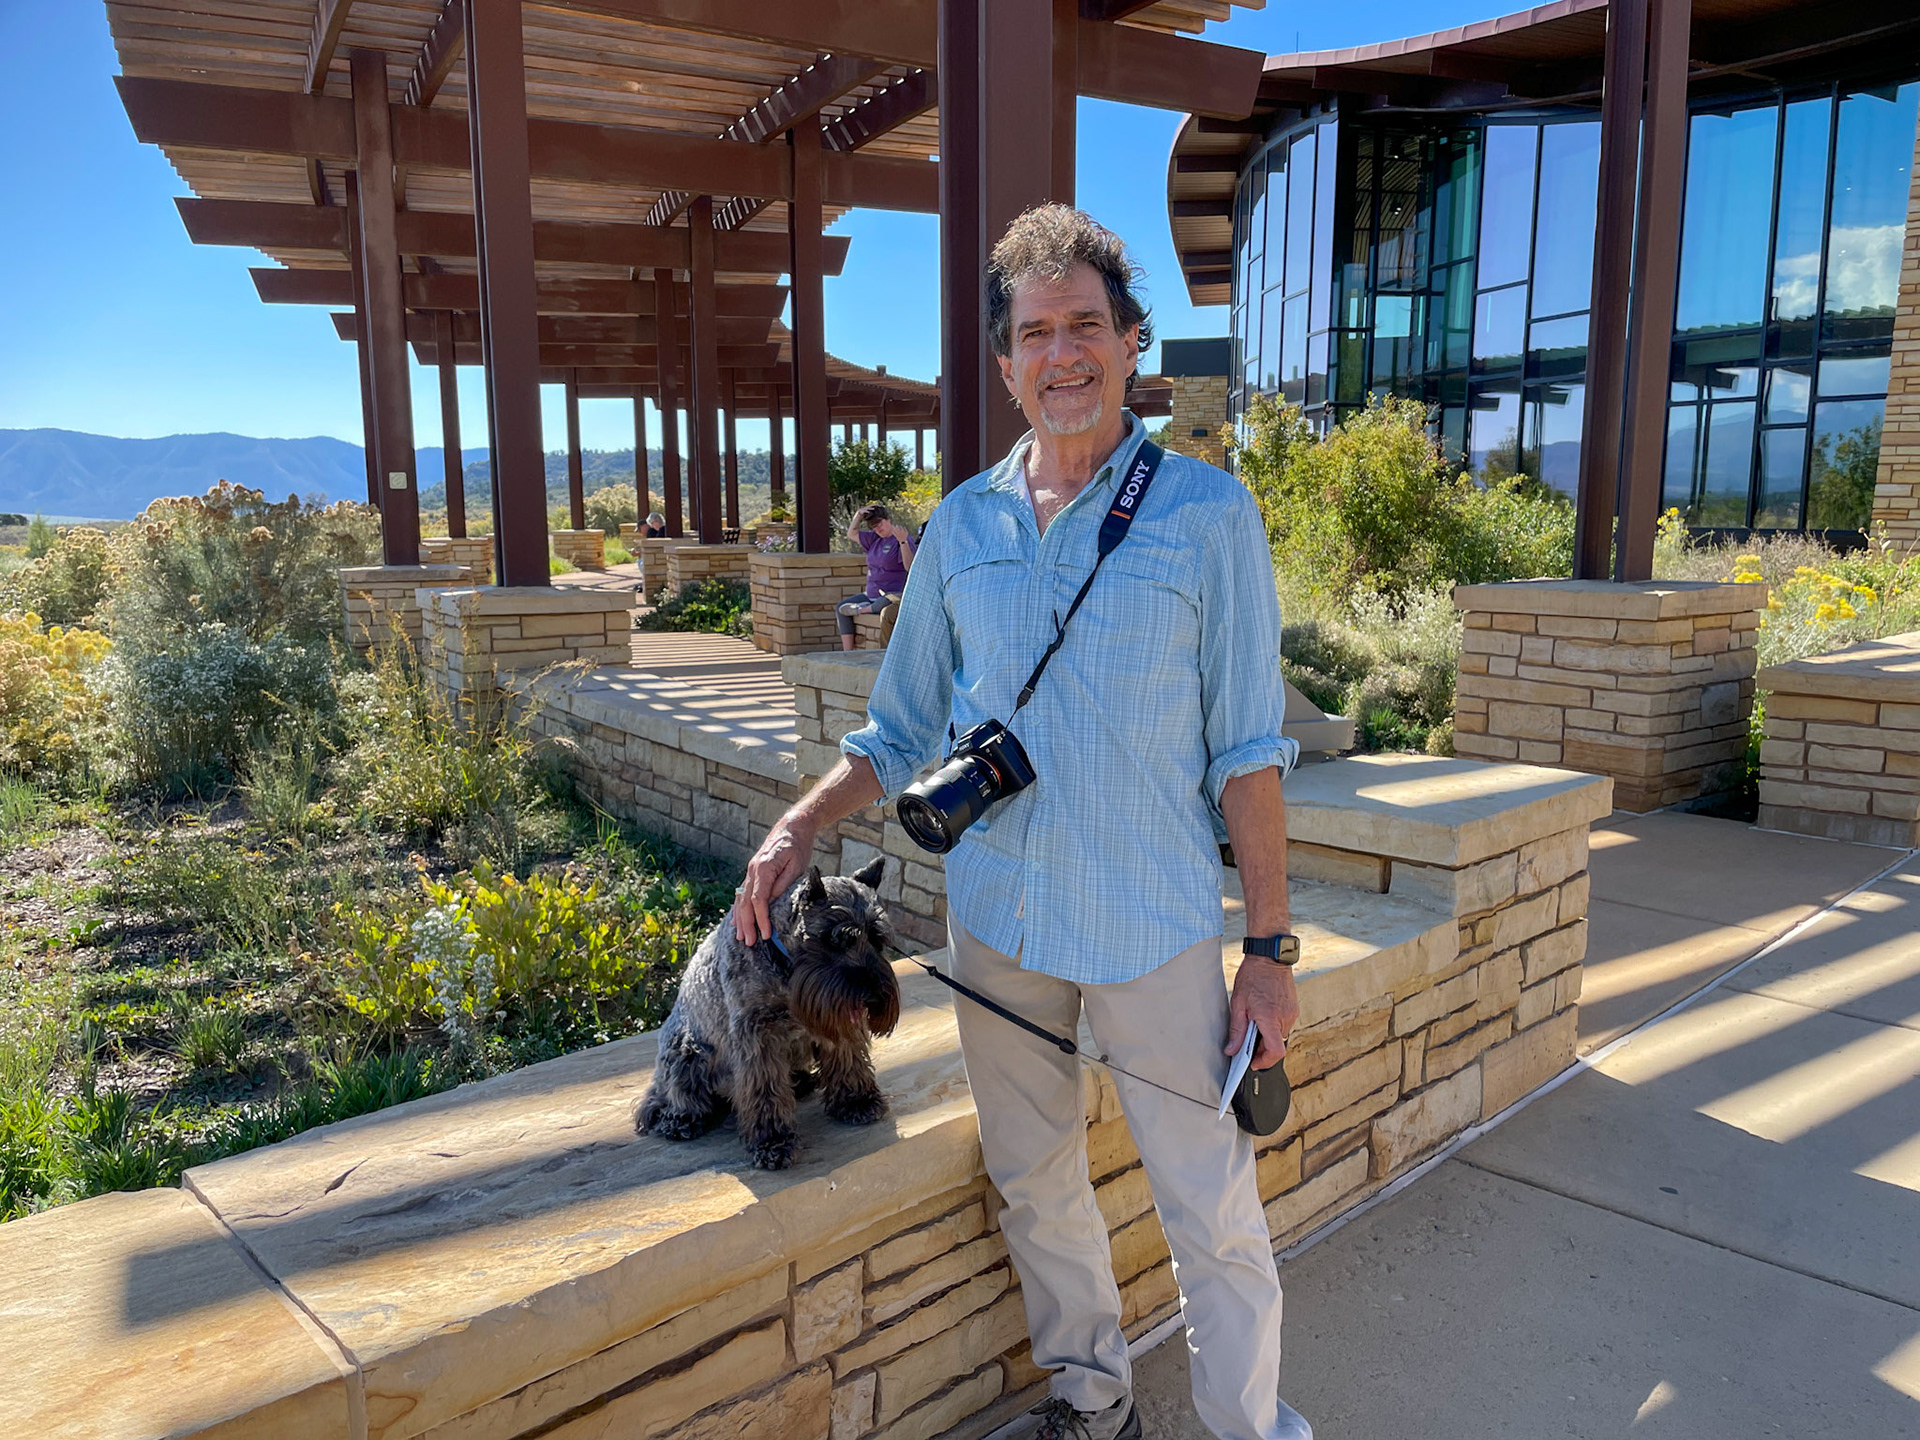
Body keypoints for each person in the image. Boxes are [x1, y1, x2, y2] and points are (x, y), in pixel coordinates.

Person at [732, 205, 1309, 1440]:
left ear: (1131, 342)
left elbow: (1250, 754)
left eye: (1085, 326)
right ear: (1005, 364)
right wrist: (798, 826)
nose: (1062, 354)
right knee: (1036, 1186)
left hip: (1150, 928)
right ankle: (1093, 1405)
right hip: (1000, 926)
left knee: (1208, 1207)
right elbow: (893, 731)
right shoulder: (962, 529)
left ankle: (1249, 1429)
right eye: (1035, 332)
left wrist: (1267, 952)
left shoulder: (1209, 517)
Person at [834, 502, 914, 651]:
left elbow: (910, 566)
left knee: (883, 604)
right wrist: (858, 515)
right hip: (871, 593)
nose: (878, 529)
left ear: (888, 520)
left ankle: (861, 610)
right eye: (873, 527)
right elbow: (852, 533)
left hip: (893, 594)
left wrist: (903, 541)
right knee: (840, 608)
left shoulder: (902, 538)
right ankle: (847, 652)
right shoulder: (874, 539)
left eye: (880, 524)